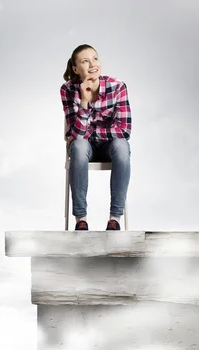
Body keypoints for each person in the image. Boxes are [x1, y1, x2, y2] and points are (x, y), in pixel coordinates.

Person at [60, 44, 132, 231]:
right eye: (85, 61)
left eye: (95, 58)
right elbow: (75, 137)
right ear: (76, 69)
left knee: (122, 146)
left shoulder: (117, 87)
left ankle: (115, 219)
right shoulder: (68, 90)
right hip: (84, 150)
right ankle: (81, 220)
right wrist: (84, 101)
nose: (93, 64)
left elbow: (124, 131)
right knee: (79, 147)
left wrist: (87, 132)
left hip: (111, 148)